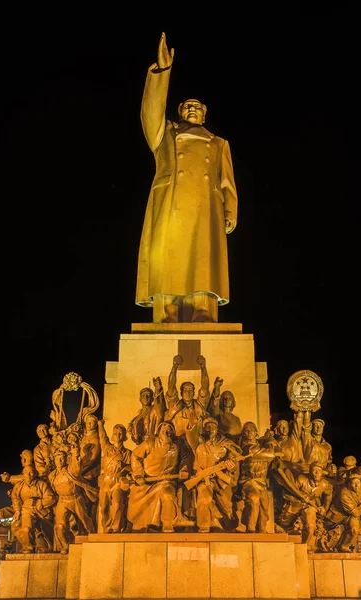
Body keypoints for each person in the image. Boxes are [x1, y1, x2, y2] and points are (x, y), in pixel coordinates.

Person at [136, 32, 238, 323]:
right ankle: (166, 312)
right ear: (178, 113)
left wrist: (230, 209)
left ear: (205, 115)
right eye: (186, 107)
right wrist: (162, 72)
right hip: (171, 202)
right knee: (168, 256)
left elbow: (227, 181)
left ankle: (202, 310)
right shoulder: (165, 134)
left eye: (197, 107)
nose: (192, 109)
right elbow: (150, 114)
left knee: (202, 258)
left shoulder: (218, 144)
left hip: (205, 206)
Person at [127, 421, 190, 532]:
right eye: (164, 431)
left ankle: (167, 523)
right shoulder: (149, 443)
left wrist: (184, 469)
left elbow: (185, 458)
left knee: (168, 495)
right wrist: (138, 474)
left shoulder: (177, 446)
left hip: (167, 481)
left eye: (169, 431)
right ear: (159, 432)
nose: (166, 433)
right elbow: (136, 455)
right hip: (148, 482)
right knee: (137, 500)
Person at [186, 417, 242, 532]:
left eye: (213, 427)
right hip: (203, 480)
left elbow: (235, 455)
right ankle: (204, 526)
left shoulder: (225, 444)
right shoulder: (199, 443)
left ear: (217, 429)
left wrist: (232, 465)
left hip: (221, 481)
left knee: (227, 505)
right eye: (207, 427)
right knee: (205, 497)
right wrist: (192, 424)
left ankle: (230, 525)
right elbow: (191, 436)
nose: (210, 429)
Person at [49, 449, 97, 553]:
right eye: (57, 458)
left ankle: (93, 536)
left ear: (66, 460)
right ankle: (65, 546)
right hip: (62, 500)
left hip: (75, 499)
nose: (60, 460)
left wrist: (75, 453)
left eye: (62, 458)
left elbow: (77, 467)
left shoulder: (71, 470)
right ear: (54, 460)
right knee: (59, 526)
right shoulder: (52, 475)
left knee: (84, 519)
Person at [237, 422, 282, 533]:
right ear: (243, 433)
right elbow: (270, 455)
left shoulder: (260, 445)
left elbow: (279, 452)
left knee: (264, 508)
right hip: (249, 481)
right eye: (247, 430)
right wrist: (268, 439)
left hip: (262, 482)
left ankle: (262, 531)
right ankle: (250, 527)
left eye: (252, 429)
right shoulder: (247, 448)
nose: (250, 432)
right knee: (254, 498)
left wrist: (268, 438)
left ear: (256, 433)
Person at [277, 462, 333, 552]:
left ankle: (305, 545)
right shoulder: (301, 479)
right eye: (314, 471)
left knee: (310, 527)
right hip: (296, 504)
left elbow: (328, 496)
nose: (316, 473)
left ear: (322, 473)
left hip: (310, 507)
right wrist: (300, 498)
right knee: (285, 523)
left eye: (319, 471)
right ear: (310, 472)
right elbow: (290, 492)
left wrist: (324, 508)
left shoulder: (325, 484)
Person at [11, 465, 56, 554]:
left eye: (31, 472)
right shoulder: (18, 486)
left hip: (40, 511)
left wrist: (37, 503)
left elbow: (51, 498)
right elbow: (15, 498)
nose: (28, 475)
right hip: (24, 511)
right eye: (26, 473)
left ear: (35, 474)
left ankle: (29, 547)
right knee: (15, 526)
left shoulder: (42, 484)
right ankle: (32, 545)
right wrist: (17, 511)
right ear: (23, 475)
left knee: (28, 528)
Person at [97, 421, 132, 533]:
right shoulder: (107, 448)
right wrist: (100, 425)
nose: (118, 435)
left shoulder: (128, 453)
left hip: (118, 481)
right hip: (106, 480)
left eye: (121, 433)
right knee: (104, 506)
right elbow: (102, 437)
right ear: (112, 436)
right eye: (116, 432)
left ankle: (116, 528)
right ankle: (106, 527)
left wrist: (124, 466)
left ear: (125, 437)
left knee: (117, 503)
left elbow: (133, 468)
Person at [165, 354, 210, 441]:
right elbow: (171, 386)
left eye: (190, 390)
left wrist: (203, 368)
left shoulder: (199, 406)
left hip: (197, 443)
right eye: (185, 390)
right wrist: (174, 367)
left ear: (194, 393)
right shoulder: (175, 405)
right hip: (178, 443)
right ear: (181, 393)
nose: (188, 392)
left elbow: (205, 387)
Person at [325, 472, 361, 552]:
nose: (356, 486)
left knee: (354, 530)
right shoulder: (344, 493)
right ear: (349, 484)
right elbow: (355, 511)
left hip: (350, 515)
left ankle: (342, 546)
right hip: (337, 515)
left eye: (358, 483)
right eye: (353, 483)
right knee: (325, 529)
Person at [127, 377, 166, 445]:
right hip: (142, 446)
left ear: (152, 399)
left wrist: (158, 389)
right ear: (140, 399)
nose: (146, 397)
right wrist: (132, 431)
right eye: (143, 395)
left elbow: (160, 406)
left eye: (148, 396)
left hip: (154, 444)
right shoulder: (136, 418)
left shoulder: (154, 410)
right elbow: (135, 438)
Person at [207, 377, 242, 444]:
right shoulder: (219, 415)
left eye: (229, 398)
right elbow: (214, 403)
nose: (227, 400)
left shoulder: (237, 419)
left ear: (233, 401)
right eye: (224, 398)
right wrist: (217, 387)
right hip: (223, 444)